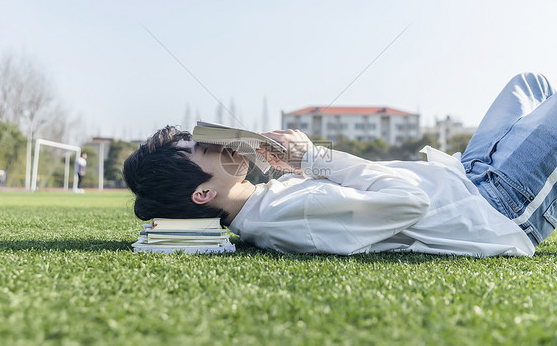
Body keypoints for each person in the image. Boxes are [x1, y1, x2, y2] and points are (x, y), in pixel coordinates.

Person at [123, 73, 557, 257]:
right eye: (203, 149)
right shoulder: (285, 214)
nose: (220, 145)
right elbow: (410, 202)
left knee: (530, 82)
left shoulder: (270, 200)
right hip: (493, 204)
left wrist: (304, 165)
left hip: (463, 174)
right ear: (203, 194)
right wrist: (312, 156)